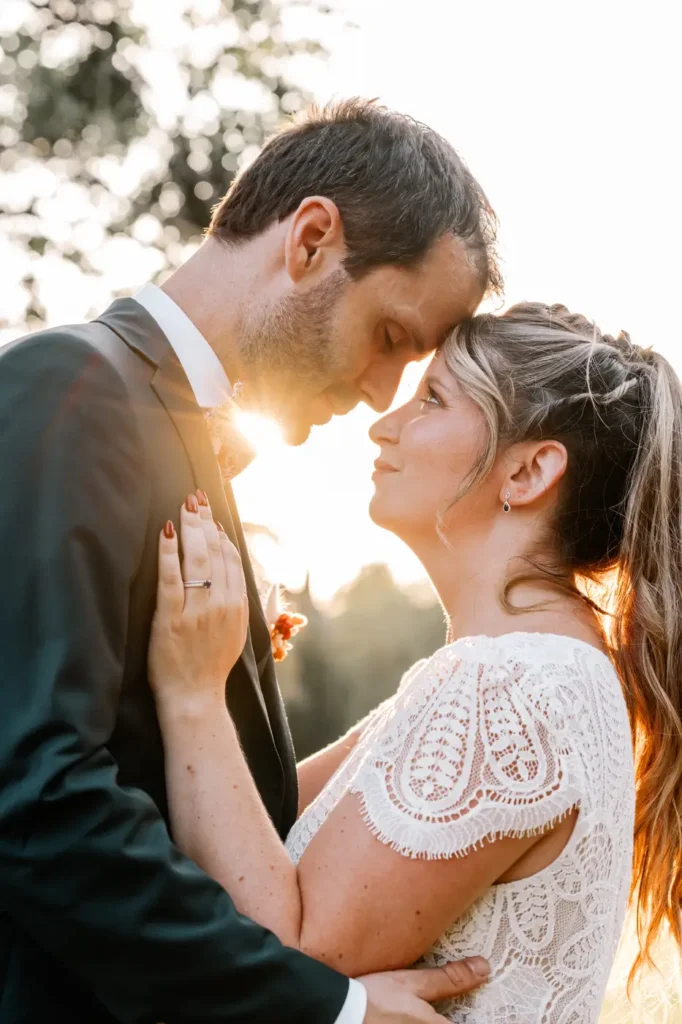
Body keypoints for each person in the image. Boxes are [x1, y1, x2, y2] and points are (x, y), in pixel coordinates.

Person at [0, 100, 499, 1023]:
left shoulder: (180, 432)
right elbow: (36, 802)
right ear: (310, 239)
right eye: (389, 336)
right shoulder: (70, 391)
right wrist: (327, 1008)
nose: (379, 393)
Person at [146, 302, 682, 1023]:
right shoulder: (508, 673)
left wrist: (194, 692)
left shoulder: (511, 688)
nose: (382, 424)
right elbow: (248, 826)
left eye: (432, 397)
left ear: (527, 472)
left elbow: (283, 958)